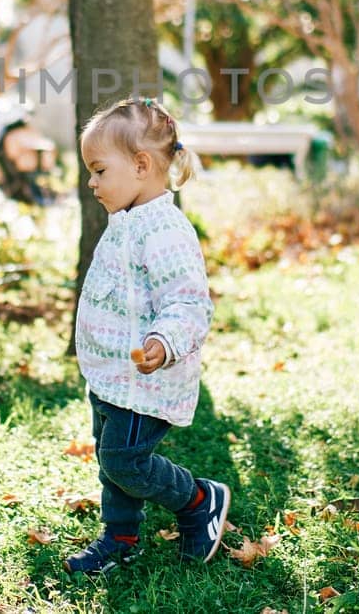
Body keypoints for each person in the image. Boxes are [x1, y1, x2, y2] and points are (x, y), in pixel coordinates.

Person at [64, 95, 231, 575]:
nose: (91, 183)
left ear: (141, 165)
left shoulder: (166, 231)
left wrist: (164, 342)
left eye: (99, 171)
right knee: (112, 462)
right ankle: (120, 538)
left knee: (125, 461)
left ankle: (199, 499)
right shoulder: (126, 222)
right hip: (113, 376)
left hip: (145, 378)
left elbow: (188, 302)